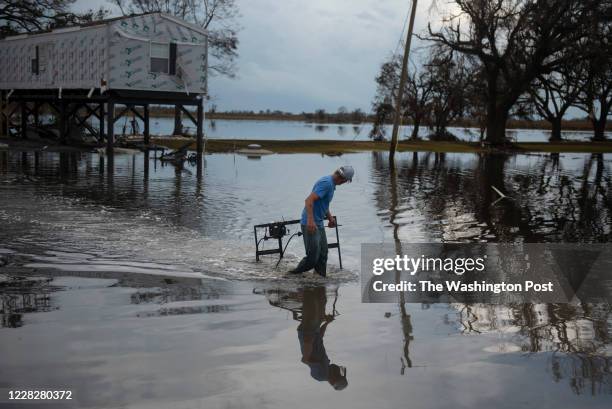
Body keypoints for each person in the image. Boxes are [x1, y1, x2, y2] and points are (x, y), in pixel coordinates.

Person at [290, 166, 354, 277]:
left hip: (318, 223)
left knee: (323, 254)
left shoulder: (331, 184)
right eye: (346, 181)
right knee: (312, 258)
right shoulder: (327, 183)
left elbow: (323, 203)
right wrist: (310, 221)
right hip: (309, 223)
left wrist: (330, 218)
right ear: (344, 179)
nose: (344, 183)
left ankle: (320, 282)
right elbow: (308, 200)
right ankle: (291, 275)